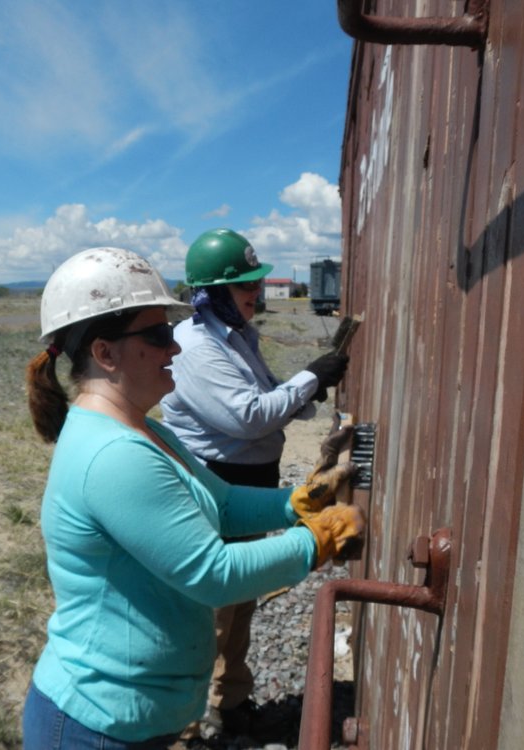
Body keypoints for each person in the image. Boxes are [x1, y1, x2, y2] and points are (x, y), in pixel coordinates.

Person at [21, 246, 365, 749]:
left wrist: (295, 504)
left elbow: (221, 504)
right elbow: (212, 575)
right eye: (159, 335)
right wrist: (317, 540)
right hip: (96, 726)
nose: (175, 348)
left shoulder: (146, 432)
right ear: (105, 353)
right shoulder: (114, 453)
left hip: (130, 718)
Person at [158, 228, 349, 737]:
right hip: (217, 488)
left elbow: (267, 396)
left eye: (255, 283)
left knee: (237, 602)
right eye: (243, 284)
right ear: (213, 293)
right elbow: (248, 416)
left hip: (248, 485)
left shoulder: (238, 337)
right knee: (213, 609)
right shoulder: (194, 347)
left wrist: (308, 390)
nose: (255, 292)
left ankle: (231, 701)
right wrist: (310, 377)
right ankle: (184, 726)